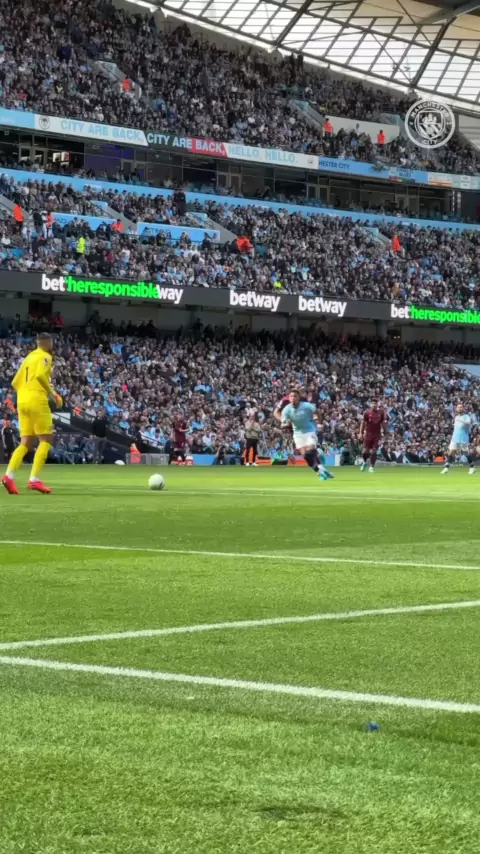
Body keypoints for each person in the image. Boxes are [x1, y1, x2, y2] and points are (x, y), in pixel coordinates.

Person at [2, 332, 62, 494]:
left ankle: (8, 476)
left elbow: (15, 382)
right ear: (47, 343)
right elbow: (40, 375)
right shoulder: (46, 356)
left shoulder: (29, 357)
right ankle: (34, 479)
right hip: (37, 400)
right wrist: (54, 394)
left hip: (22, 401)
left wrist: (25, 394)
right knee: (46, 439)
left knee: (26, 442)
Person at [281, 390, 333, 481]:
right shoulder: (286, 409)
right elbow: (283, 423)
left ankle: (319, 459)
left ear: (299, 398)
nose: (293, 398)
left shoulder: (306, 406)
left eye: (295, 396)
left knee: (310, 451)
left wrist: (319, 423)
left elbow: (317, 412)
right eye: (291, 396)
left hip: (310, 431)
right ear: (289, 398)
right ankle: (321, 471)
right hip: (298, 434)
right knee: (306, 457)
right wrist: (285, 425)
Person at [441, 404, 476, 475]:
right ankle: (446, 468)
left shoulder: (466, 416)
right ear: (456, 409)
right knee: (451, 452)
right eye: (458, 407)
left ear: (463, 408)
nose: (459, 408)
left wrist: (461, 420)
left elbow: (469, 423)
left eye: (461, 407)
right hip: (455, 438)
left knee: (465, 453)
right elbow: (456, 428)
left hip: (463, 438)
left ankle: (472, 467)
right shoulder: (456, 417)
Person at [359, 399, 387, 472]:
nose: (374, 405)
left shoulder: (381, 412)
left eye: (375, 403)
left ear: (377, 404)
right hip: (368, 434)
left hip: (377, 435)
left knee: (374, 451)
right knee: (365, 451)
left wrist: (385, 433)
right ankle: (364, 462)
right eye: (372, 403)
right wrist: (360, 433)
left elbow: (383, 423)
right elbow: (363, 423)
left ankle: (371, 467)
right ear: (371, 404)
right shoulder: (367, 412)